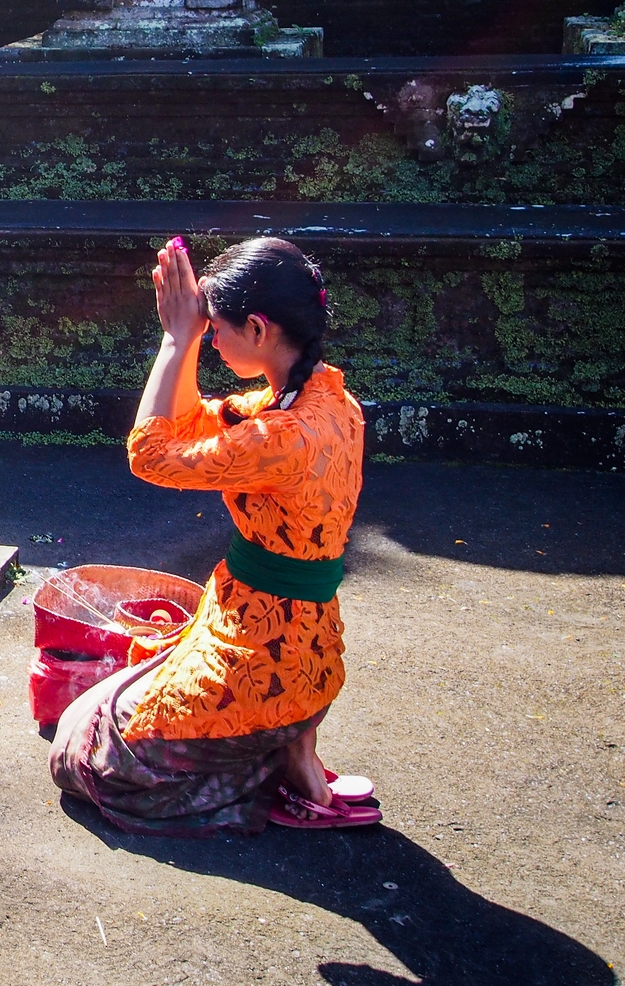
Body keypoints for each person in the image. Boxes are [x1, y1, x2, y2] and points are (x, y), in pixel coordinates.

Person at [49, 235, 381, 834]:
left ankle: (273, 763)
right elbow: (194, 420)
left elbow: (151, 454)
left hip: (263, 660)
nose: (213, 340)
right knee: (108, 701)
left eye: (218, 329)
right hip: (302, 650)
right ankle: (293, 750)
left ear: (257, 328)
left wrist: (177, 341)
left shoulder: (284, 436)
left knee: (85, 752)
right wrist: (189, 337)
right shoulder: (327, 399)